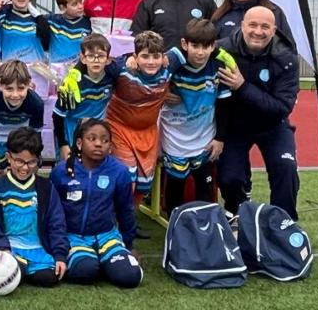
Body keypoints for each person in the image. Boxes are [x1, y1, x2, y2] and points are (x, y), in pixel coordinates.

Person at [215, 6, 300, 219]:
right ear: (242, 26)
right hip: (234, 126)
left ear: (274, 30)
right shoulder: (222, 50)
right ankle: (238, 212)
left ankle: (282, 222)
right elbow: (191, 57)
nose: (258, 31)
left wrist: (242, 87)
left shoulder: (286, 57)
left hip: (272, 125)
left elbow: (282, 107)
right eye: (252, 25)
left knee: (286, 168)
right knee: (229, 178)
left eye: (265, 27)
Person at [50, 118, 142, 288]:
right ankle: (94, 262)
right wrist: (57, 246)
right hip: (74, 237)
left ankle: (111, 261)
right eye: (92, 139)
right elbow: (51, 213)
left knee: (129, 276)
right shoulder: (61, 171)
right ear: (79, 143)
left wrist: (129, 245)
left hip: (107, 236)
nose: (98, 144)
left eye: (104, 140)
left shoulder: (119, 171)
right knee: (86, 271)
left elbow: (126, 210)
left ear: (110, 147)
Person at [160, 19, 231, 212]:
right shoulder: (172, 60)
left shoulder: (219, 65)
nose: (200, 52)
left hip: (204, 138)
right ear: (185, 44)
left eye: (205, 46)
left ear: (213, 46)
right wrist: (162, 92)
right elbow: (150, 79)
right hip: (174, 137)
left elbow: (225, 104)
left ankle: (206, 222)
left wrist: (220, 138)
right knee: (175, 186)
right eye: (195, 46)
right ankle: (175, 221)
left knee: (205, 186)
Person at [0, 128, 67, 287]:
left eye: (31, 162)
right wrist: (1, 247)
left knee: (48, 278)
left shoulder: (46, 187)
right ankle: (18, 267)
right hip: (9, 248)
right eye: (19, 161)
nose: (25, 168)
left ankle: (27, 269)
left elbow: (57, 222)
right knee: (10, 270)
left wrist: (60, 255)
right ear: (9, 157)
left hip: (37, 248)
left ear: (38, 160)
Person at [104, 30, 176, 207]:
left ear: (163, 57)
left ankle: (129, 218)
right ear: (136, 57)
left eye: (156, 56)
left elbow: (198, 47)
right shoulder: (122, 68)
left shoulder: (169, 66)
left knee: (144, 185)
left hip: (148, 133)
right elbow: (95, 63)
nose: (151, 62)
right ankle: (116, 220)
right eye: (145, 56)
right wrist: (126, 56)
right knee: (126, 180)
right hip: (119, 129)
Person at [52, 33, 114, 162]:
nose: (96, 60)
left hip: (97, 133)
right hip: (71, 134)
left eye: (101, 56)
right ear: (83, 58)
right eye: (90, 56)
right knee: (70, 169)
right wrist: (63, 144)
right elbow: (57, 115)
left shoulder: (112, 77)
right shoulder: (72, 84)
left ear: (108, 59)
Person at [0, 59, 46, 180]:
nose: (15, 95)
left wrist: (33, 160)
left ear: (29, 84)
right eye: (9, 89)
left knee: (26, 173)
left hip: (23, 142)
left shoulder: (36, 103)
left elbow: (35, 136)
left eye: (21, 88)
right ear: (0, 85)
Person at [0, 0, 49, 64]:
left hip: (35, 71)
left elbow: (47, 45)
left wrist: (39, 16)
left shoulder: (40, 20)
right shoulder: (2, 16)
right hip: (10, 70)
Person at [46, 0, 90, 75]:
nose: (80, 6)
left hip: (78, 71)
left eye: (80, 2)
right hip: (56, 71)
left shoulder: (88, 23)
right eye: (74, 4)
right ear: (62, 7)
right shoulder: (51, 21)